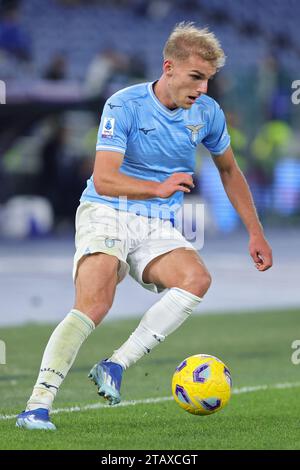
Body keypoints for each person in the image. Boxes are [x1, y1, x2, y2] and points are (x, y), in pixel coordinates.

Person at [16, 22, 273, 430]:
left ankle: (115, 365)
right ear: (168, 68)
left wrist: (255, 232)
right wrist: (157, 188)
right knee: (95, 303)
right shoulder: (125, 104)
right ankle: (37, 404)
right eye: (195, 77)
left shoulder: (207, 113)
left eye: (208, 80)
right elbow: (104, 178)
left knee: (195, 279)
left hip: (157, 221)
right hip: (107, 209)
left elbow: (230, 171)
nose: (203, 89)